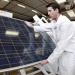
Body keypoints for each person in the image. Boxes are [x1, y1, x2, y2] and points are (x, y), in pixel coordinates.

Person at [25, 2, 75, 75]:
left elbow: (61, 46)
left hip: (69, 53)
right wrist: (33, 27)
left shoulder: (65, 23)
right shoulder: (55, 22)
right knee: (61, 71)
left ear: (56, 10)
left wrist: (48, 60)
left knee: (66, 72)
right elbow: (44, 27)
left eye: (50, 11)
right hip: (62, 53)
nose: (48, 13)